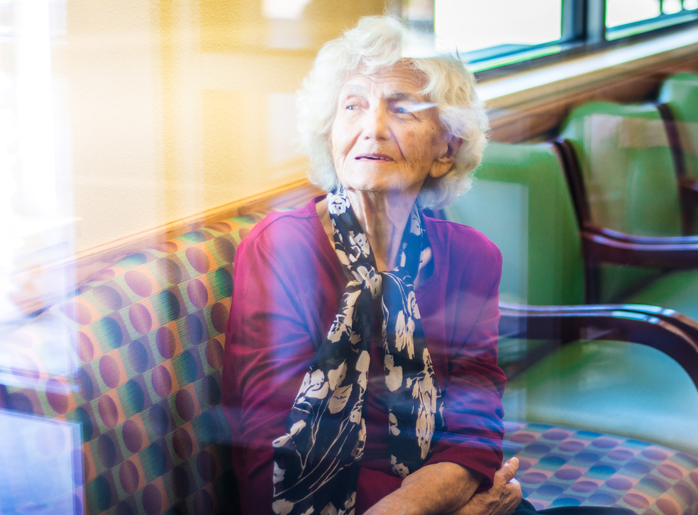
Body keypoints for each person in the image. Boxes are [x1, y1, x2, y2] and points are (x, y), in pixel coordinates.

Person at [221, 16, 523, 515]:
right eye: (354, 105)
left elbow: (476, 427)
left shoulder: (472, 258)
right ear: (332, 132)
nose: (373, 128)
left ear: (446, 149)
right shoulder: (282, 252)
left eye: (402, 109)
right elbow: (267, 464)